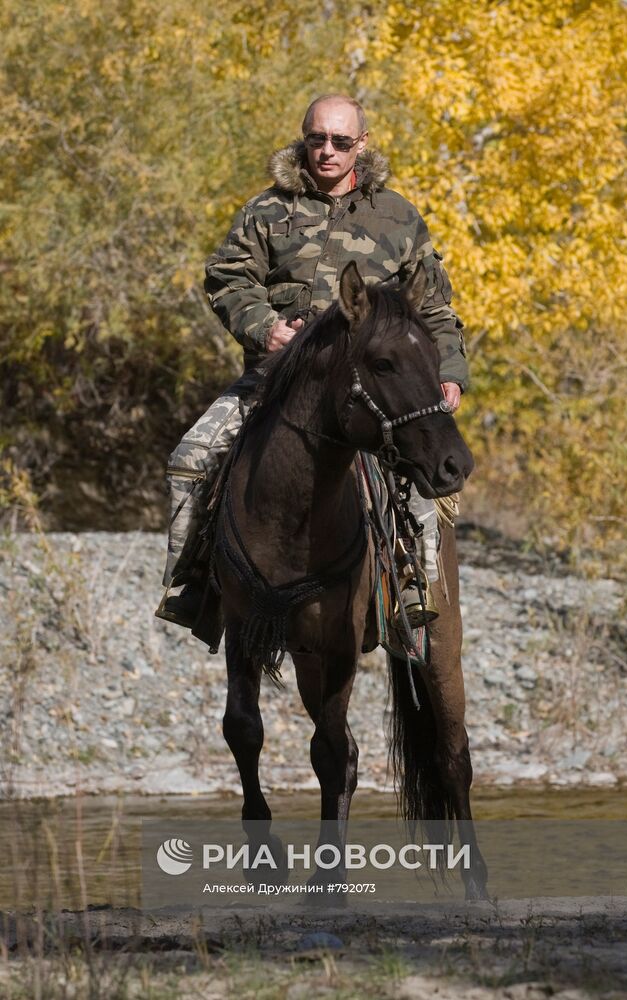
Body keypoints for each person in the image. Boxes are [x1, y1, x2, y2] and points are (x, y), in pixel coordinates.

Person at [155, 94, 468, 634]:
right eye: (317, 138)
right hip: (277, 381)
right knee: (192, 457)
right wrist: (264, 327)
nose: (327, 150)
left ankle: (412, 583)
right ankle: (195, 582)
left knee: (420, 475)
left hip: (373, 386)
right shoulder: (266, 211)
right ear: (304, 138)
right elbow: (229, 278)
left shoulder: (397, 216)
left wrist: (448, 373)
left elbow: (433, 306)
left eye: (341, 141)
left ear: (361, 145)